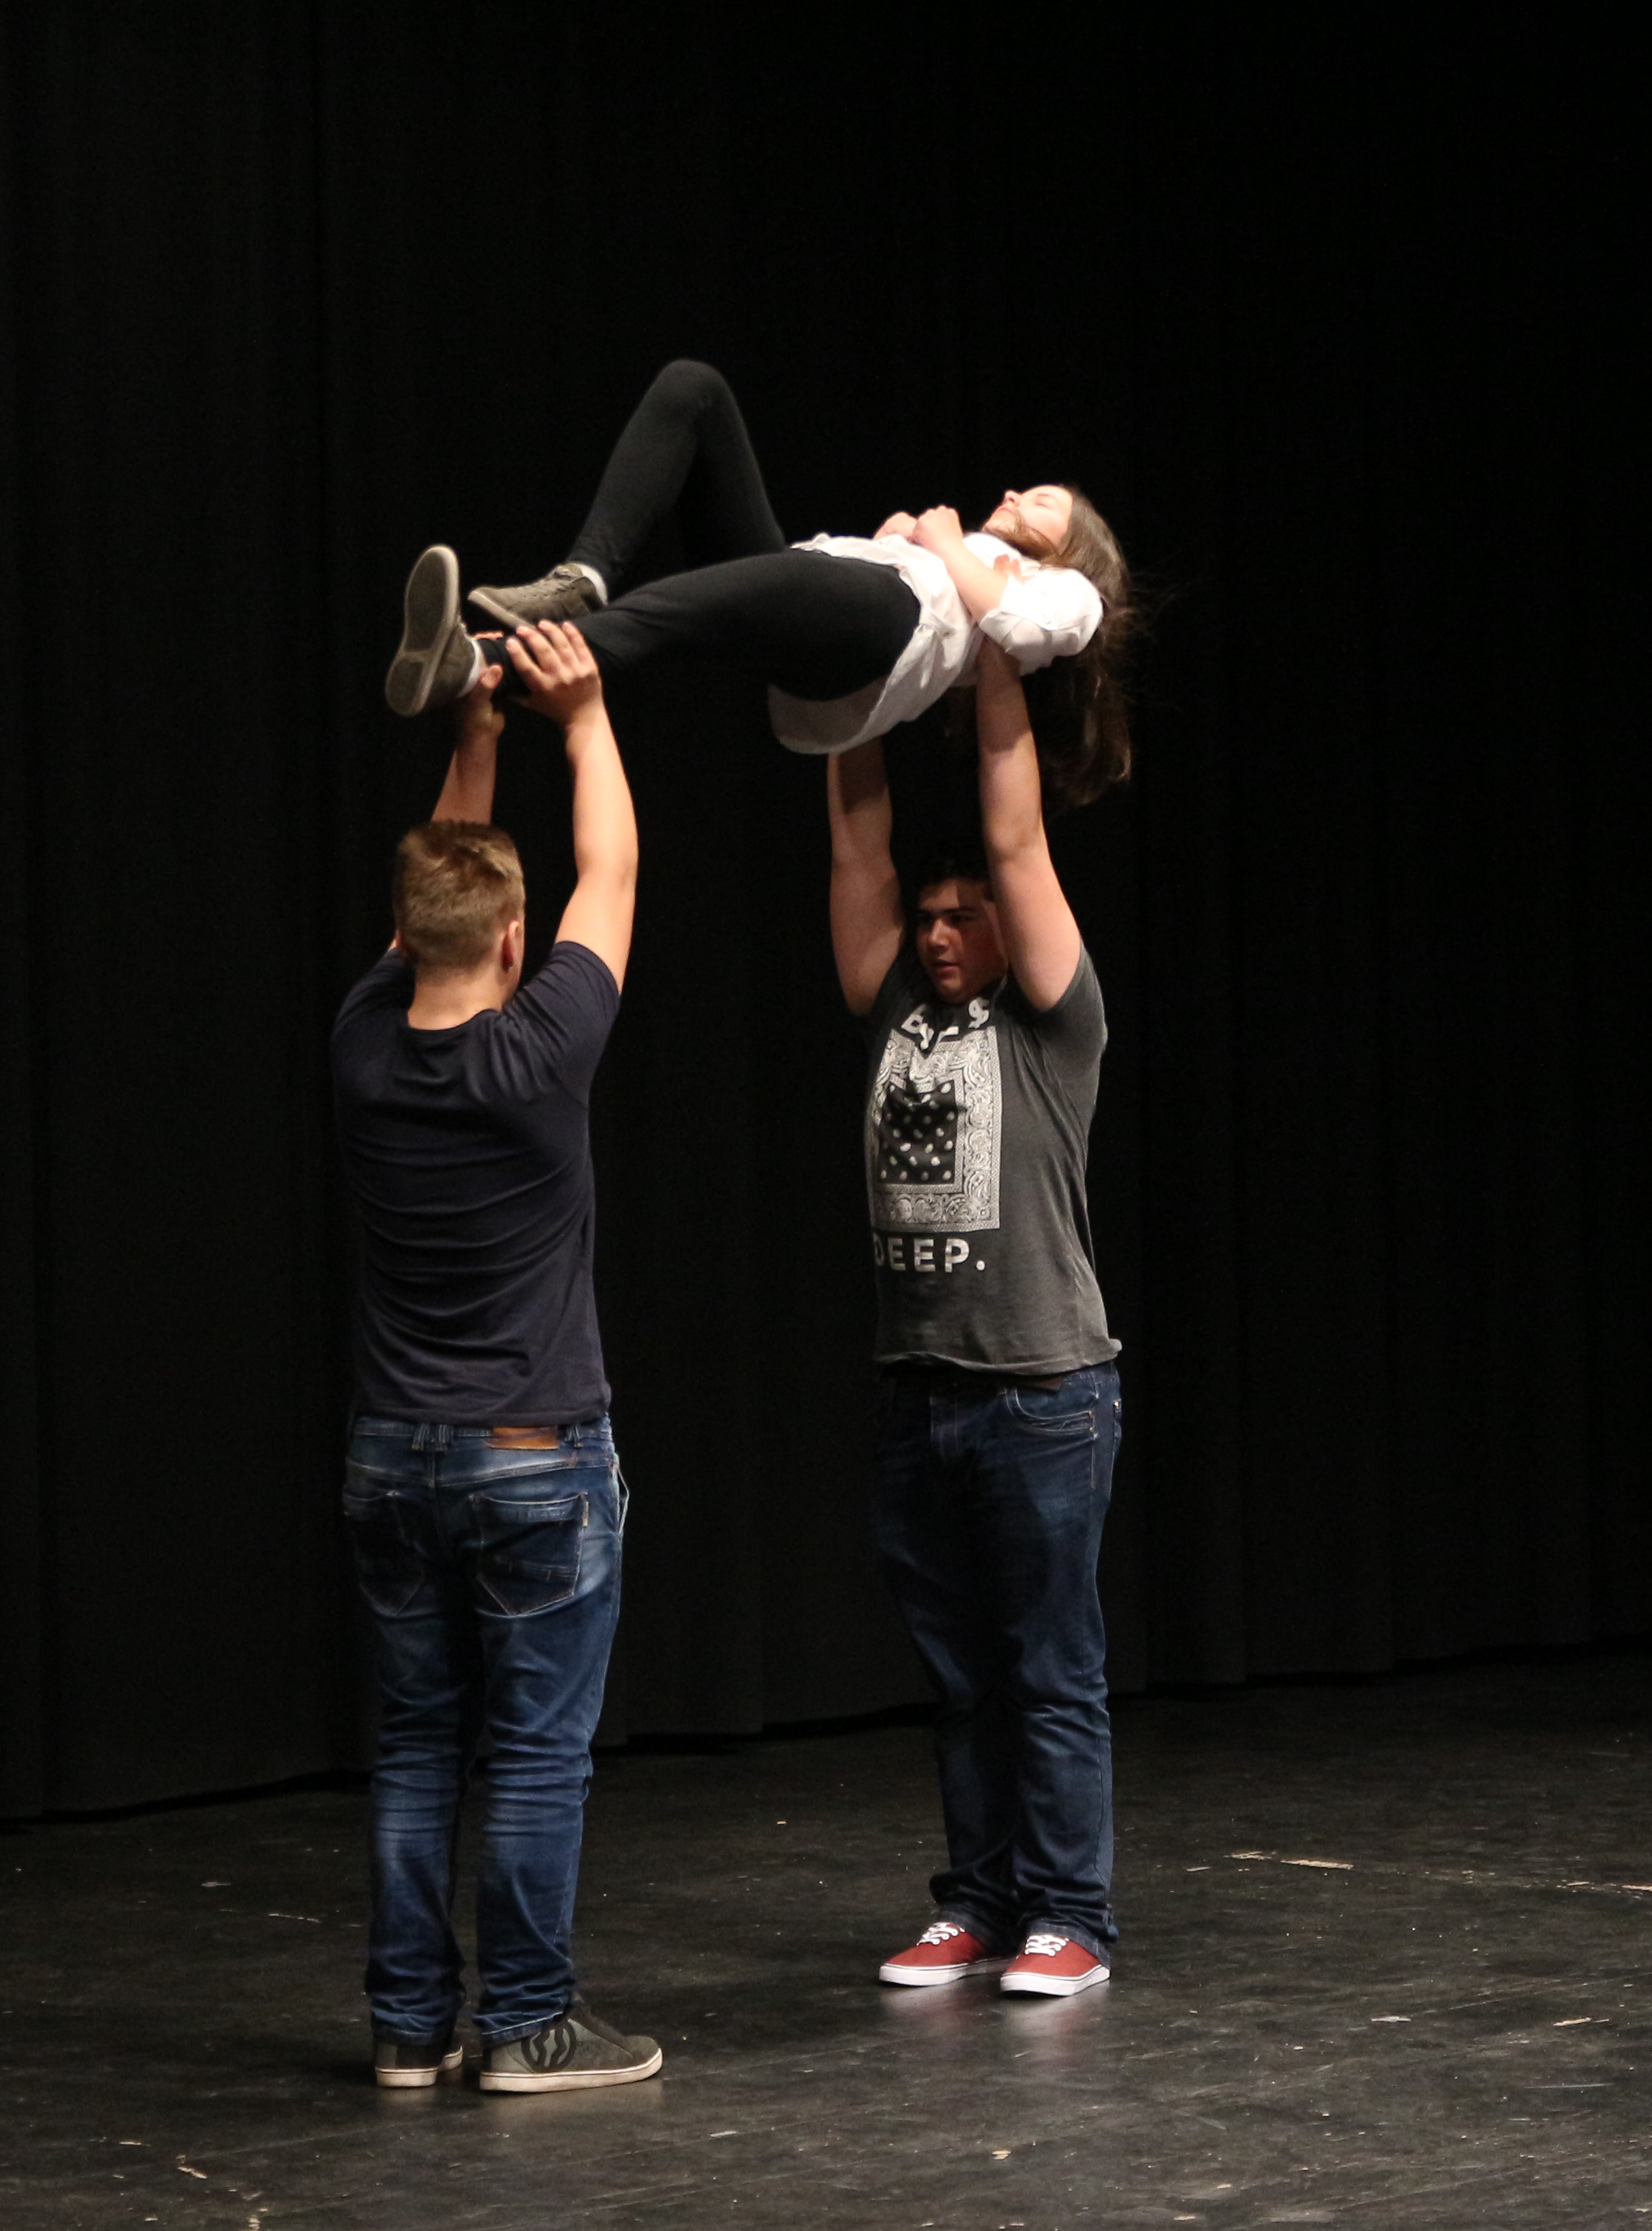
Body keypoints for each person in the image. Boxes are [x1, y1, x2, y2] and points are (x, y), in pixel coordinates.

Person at [328, 620, 664, 2096]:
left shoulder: (360, 1043)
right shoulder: (542, 1054)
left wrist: (475, 733)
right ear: (515, 945)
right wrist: (580, 718)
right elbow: (613, 874)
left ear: (401, 940)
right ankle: (525, 2024)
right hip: (532, 1460)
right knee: (531, 1755)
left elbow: (445, 892)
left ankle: (409, 2028)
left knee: (417, 1746)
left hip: (389, 1460)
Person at [832, 642, 1125, 1999]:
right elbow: (857, 841)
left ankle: (1071, 1918)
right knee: (959, 1678)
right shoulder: (891, 1001)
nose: (940, 933)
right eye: (930, 917)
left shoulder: (1055, 1023)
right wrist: (845, 686)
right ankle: (980, 1899)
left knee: (1046, 1672)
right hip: (919, 1390)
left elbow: (1016, 831)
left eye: (964, 916)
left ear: (1007, 926)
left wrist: (996, 662)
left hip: (1041, 1392)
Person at [384, 358, 1139, 814]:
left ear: (1077, 547)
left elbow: (1019, 628)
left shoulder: (1072, 592)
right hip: (840, 598)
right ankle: (580, 580)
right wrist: (897, 542)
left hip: (884, 626)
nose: (1014, 495)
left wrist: (940, 545)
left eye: (1042, 502)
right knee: (695, 391)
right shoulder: (979, 558)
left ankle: (480, 662)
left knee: (670, 614)